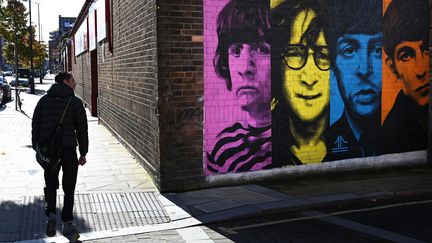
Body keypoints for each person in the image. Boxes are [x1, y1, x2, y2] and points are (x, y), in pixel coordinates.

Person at [206, 0, 272, 174]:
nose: (244, 68)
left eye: (261, 50)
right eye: (236, 51)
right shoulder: (222, 148)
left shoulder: (295, 141)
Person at [271, 0, 331, 166]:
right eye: (295, 54)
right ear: (279, 66)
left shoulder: (350, 140)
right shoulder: (263, 147)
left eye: (323, 56)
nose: (309, 78)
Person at [32, 72, 88, 239]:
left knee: (50, 183)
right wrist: (83, 152)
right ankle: (67, 222)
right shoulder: (75, 102)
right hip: (69, 149)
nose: (75, 84)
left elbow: (35, 125)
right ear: (65, 82)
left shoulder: (43, 101)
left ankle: (51, 215)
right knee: (69, 186)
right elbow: (82, 130)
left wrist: (38, 147)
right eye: (73, 81)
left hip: (49, 150)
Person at [325, 0, 382, 161]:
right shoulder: (325, 146)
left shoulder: (405, 134)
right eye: (349, 50)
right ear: (333, 66)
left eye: (377, 50)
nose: (364, 69)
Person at [381, 0, 429, 153]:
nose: (421, 70)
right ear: (392, 67)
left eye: (427, 49)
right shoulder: (391, 137)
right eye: (406, 56)